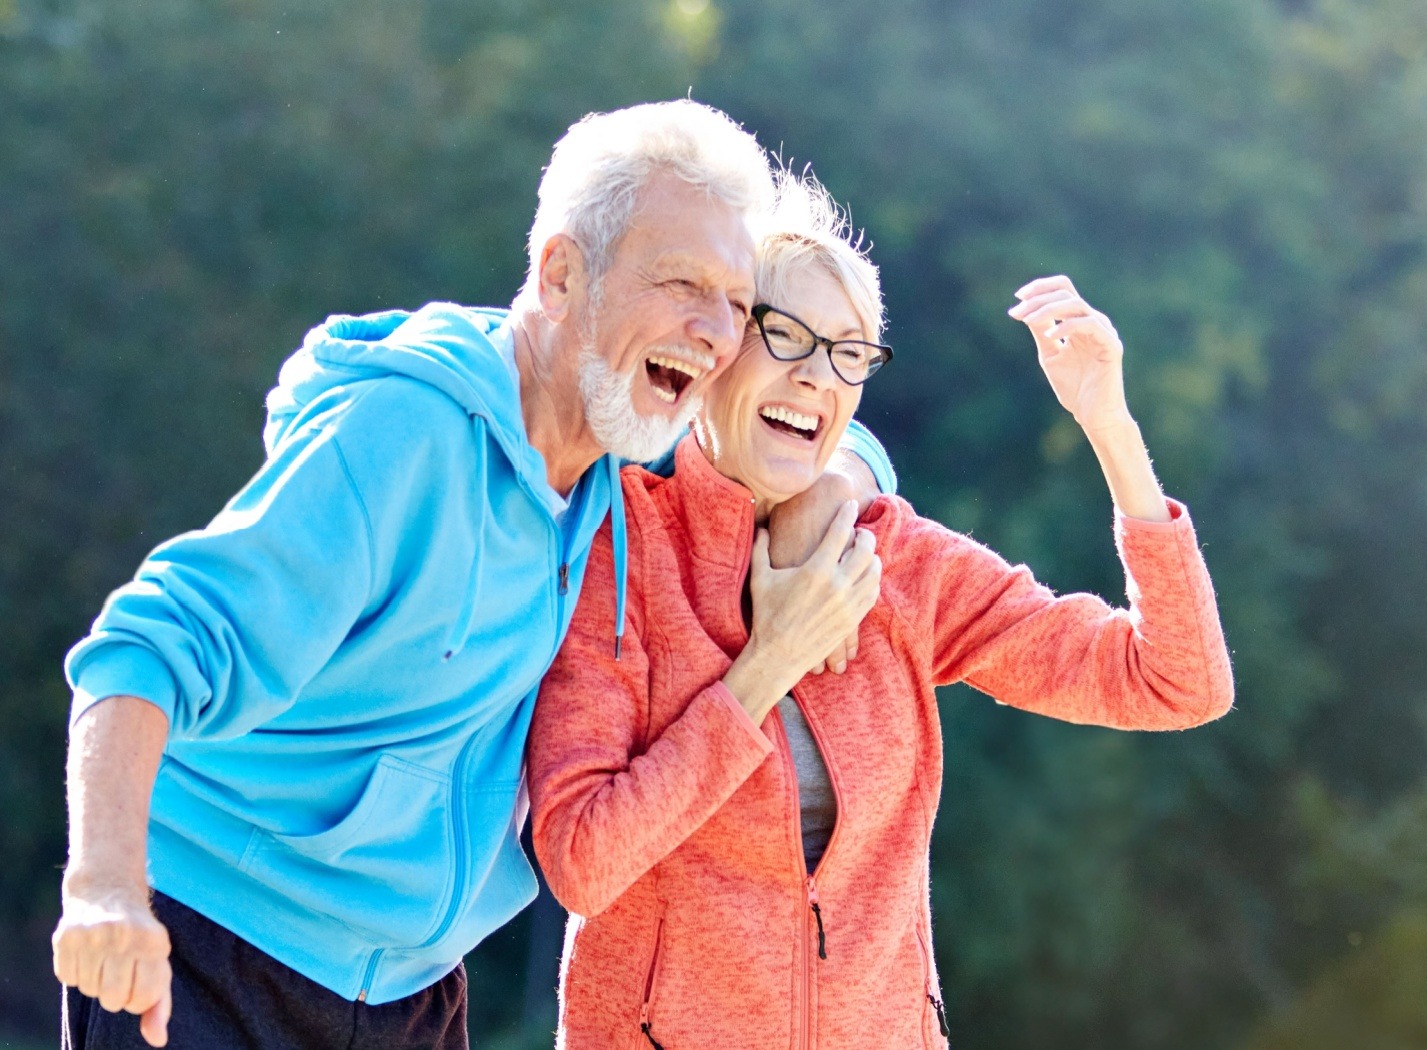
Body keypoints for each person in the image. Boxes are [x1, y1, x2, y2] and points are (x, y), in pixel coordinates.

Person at [51, 101, 895, 1049]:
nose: (712, 332)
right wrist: (103, 890)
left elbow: (800, 426)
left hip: (414, 995)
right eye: (681, 284)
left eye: (735, 305)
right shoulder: (401, 439)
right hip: (218, 956)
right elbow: (141, 652)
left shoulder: (622, 449)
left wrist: (838, 489)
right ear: (564, 274)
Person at [526, 175, 1235, 1048]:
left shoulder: (896, 561)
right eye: (786, 336)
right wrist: (768, 664)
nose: (816, 379)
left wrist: (1112, 429)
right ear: (717, 351)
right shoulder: (621, 551)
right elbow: (582, 862)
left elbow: (1179, 681)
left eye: (850, 354)